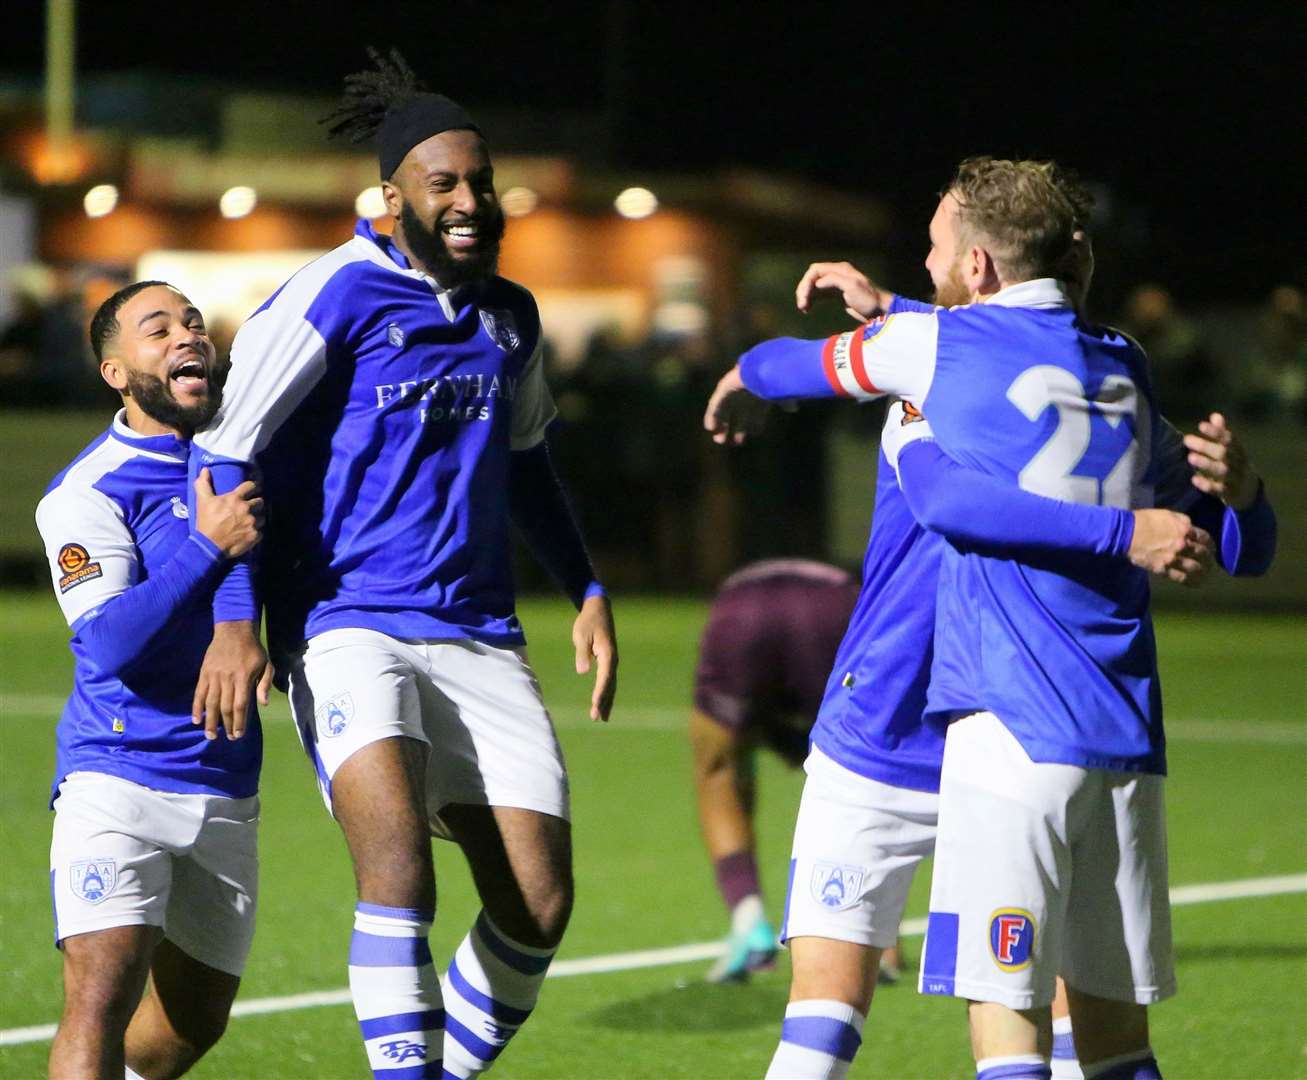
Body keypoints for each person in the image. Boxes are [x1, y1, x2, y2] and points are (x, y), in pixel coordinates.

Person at [705, 157, 1278, 1080]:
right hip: (1119, 736)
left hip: (1000, 725)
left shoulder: (931, 356)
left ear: (975, 267)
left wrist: (751, 368)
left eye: (934, 250)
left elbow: (933, 485)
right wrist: (1242, 497)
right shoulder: (1123, 371)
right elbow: (1246, 548)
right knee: (1112, 1050)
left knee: (988, 1032)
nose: (925, 263)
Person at [187, 49, 617, 1080]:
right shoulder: (331, 295)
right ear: (391, 200)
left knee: (539, 904)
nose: (469, 200)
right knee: (399, 874)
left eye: (478, 181)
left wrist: (588, 589)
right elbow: (222, 455)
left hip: (476, 631)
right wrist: (237, 618)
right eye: (444, 185)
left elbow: (527, 465)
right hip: (346, 625)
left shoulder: (507, 316)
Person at [35, 281, 266, 1080]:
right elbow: (109, 643)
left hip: (225, 775)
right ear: (114, 371)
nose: (185, 336)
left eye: (193, 323)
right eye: (156, 328)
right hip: (118, 772)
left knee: (189, 1027)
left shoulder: (245, 457)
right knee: (97, 997)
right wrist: (205, 549)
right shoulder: (85, 492)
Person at [690, 559, 879, 982]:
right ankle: (877, 939)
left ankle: (748, 918)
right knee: (864, 767)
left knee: (717, 766)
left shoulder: (743, 586)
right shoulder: (841, 584)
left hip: (739, 609)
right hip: (834, 608)